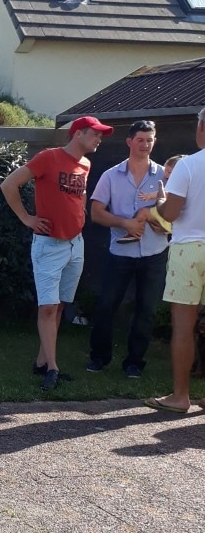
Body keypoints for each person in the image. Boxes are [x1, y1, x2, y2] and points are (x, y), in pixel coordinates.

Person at [0, 115, 113, 391]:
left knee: (61, 305)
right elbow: (8, 184)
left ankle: (41, 362)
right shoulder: (48, 158)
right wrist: (27, 218)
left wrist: (79, 218)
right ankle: (53, 368)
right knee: (48, 307)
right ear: (78, 134)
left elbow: (80, 197)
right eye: (95, 134)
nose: (99, 139)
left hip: (76, 244)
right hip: (49, 244)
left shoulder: (85, 164)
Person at [85, 119, 169, 379]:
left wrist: (157, 221)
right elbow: (96, 213)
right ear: (129, 142)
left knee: (147, 310)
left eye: (150, 140)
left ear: (154, 142)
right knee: (106, 305)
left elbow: (176, 212)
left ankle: (134, 362)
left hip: (154, 253)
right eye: (140, 139)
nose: (145, 144)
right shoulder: (111, 175)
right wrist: (125, 223)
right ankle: (99, 358)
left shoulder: (165, 176)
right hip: (120, 253)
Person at [146, 108, 205, 412]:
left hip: (188, 248)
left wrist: (159, 199)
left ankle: (181, 396)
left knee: (184, 327)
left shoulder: (188, 166)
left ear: (201, 128)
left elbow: (170, 214)